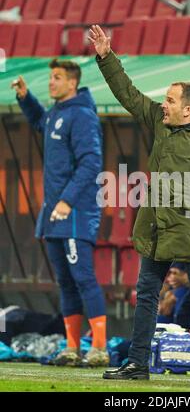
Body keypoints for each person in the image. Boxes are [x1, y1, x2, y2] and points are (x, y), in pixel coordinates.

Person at [88, 25, 190, 384]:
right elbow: (129, 95)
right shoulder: (162, 123)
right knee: (146, 293)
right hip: (158, 227)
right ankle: (138, 364)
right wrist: (106, 57)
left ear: (188, 110)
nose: (163, 104)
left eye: (170, 100)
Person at [11, 59, 109, 367]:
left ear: (72, 83)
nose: (51, 82)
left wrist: (67, 201)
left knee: (84, 278)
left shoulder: (82, 116)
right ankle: (71, 347)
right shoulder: (58, 113)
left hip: (76, 212)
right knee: (65, 282)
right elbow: (43, 124)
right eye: (50, 77)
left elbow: (92, 162)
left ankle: (100, 348)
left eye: (57, 78)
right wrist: (27, 99)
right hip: (54, 214)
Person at [157, 262, 190, 329]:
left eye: (175, 273)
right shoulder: (167, 291)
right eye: (170, 273)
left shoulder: (185, 292)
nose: (171, 277)